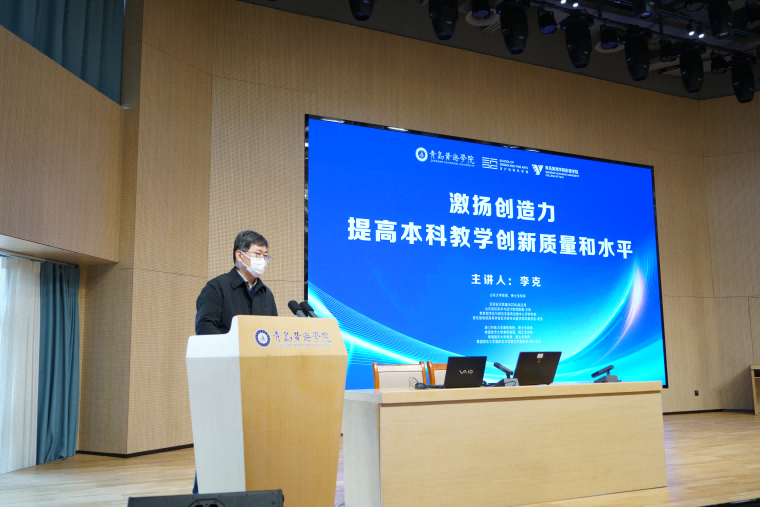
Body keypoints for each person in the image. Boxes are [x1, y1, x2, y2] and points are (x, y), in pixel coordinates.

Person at [192, 230, 278, 493]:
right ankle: (206, 495)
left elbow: (274, 335)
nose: (262, 260)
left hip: (258, 383)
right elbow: (204, 327)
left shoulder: (266, 293)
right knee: (218, 443)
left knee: (256, 444)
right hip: (224, 381)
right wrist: (235, 349)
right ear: (240, 255)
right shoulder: (216, 288)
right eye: (258, 254)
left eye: (266, 255)